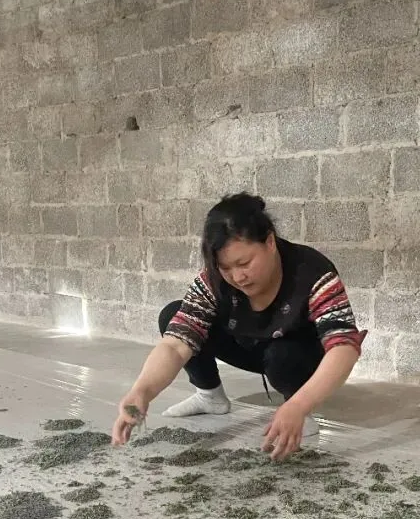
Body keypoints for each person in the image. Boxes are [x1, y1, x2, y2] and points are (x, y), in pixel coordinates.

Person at [111, 192, 366, 460]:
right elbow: (175, 346)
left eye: (244, 263)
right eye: (226, 268)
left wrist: (299, 405)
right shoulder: (214, 280)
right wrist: (141, 392)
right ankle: (210, 396)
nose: (238, 276)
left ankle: (295, 406)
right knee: (173, 315)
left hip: (295, 356)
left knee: (283, 355)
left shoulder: (312, 272)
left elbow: (343, 347)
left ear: (270, 242)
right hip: (246, 345)